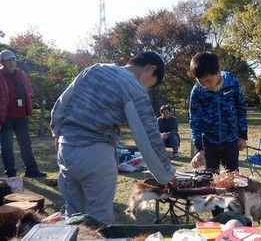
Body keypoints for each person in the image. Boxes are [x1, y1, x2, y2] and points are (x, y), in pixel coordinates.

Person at [50, 51, 176, 225]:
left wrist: (57, 133)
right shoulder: (132, 86)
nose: (146, 88)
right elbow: (149, 136)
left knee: (74, 215)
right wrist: (167, 174)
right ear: (150, 68)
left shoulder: (94, 69)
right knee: (98, 218)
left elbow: (62, 103)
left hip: (66, 149)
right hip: (95, 153)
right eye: (150, 84)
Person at [189, 52, 248, 173]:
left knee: (232, 178)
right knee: (210, 177)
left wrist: (242, 136)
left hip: (231, 139)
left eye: (208, 80)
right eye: (201, 81)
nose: (205, 85)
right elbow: (195, 121)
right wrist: (199, 149)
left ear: (218, 72)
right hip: (209, 142)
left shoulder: (232, 83)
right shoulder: (197, 92)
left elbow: (241, 109)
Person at [0, 49, 47, 178]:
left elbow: (28, 88)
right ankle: (11, 174)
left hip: (21, 116)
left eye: (13, 59)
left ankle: (31, 170)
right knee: (7, 148)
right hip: (6, 118)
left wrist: (29, 98)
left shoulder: (21, 73)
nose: (11, 62)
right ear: (2, 62)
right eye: (8, 60)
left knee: (26, 145)